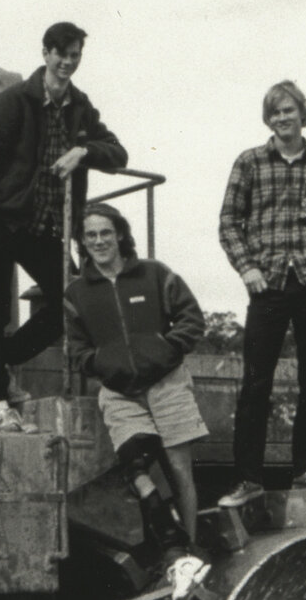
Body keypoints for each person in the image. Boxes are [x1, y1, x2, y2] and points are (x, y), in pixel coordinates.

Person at [0, 22, 128, 433]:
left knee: (72, 303)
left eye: (75, 56)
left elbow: (118, 153)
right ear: (46, 53)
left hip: (49, 227)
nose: (67, 63)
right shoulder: (14, 101)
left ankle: (3, 359)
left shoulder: (81, 108)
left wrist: (82, 151)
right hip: (5, 222)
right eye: (61, 54)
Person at [218, 80, 306, 507]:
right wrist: (248, 268)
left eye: (289, 111)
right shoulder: (250, 162)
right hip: (269, 286)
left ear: (302, 114)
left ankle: (305, 471)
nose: (283, 119)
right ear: (269, 118)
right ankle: (248, 479)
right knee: (256, 383)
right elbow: (228, 223)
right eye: (275, 112)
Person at [64, 205, 208, 574]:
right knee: (136, 466)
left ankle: (188, 552)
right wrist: (102, 364)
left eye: (106, 233)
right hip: (119, 392)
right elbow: (76, 349)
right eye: (91, 235)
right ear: (82, 242)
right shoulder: (77, 293)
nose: (99, 241)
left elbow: (192, 318)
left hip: (167, 383)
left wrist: (163, 349)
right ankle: (172, 548)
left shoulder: (155, 274)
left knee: (179, 470)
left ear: (121, 235)